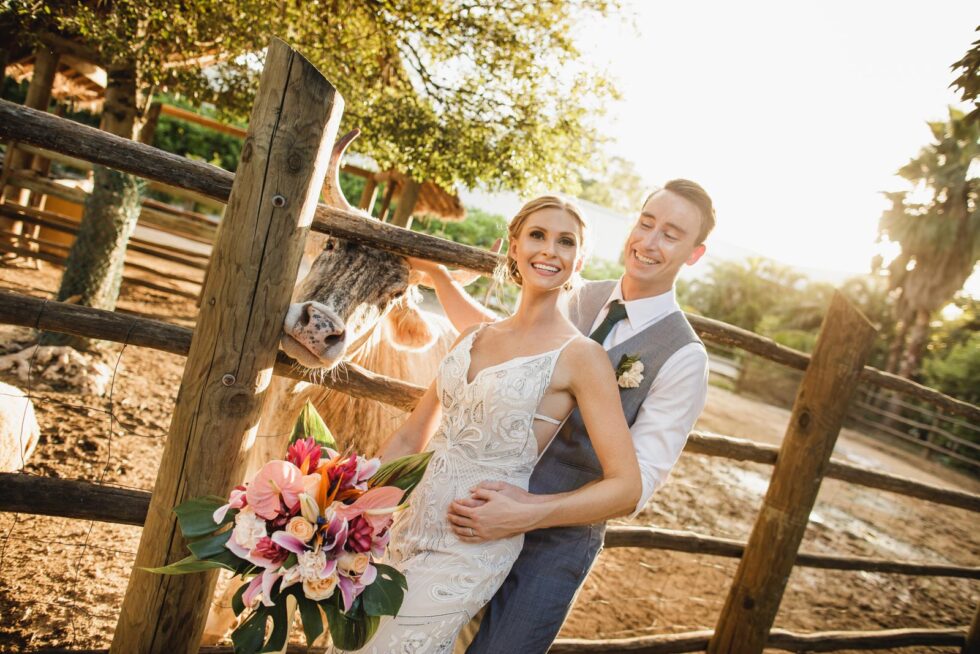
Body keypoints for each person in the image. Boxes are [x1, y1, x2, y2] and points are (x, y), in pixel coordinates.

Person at [332, 196, 642, 653]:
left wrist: (531, 511)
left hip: (471, 542)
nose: (549, 250)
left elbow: (627, 487)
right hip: (401, 527)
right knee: (348, 646)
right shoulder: (473, 336)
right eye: (537, 235)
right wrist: (347, 509)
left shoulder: (582, 357)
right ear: (514, 245)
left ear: (580, 260)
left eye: (565, 241)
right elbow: (410, 437)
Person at [417, 180, 714, 654]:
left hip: (554, 546)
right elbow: (500, 346)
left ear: (693, 255)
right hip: (477, 513)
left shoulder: (683, 357)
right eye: (646, 222)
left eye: (671, 235)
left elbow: (633, 489)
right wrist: (438, 278)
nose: (648, 242)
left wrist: (529, 513)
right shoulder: (576, 293)